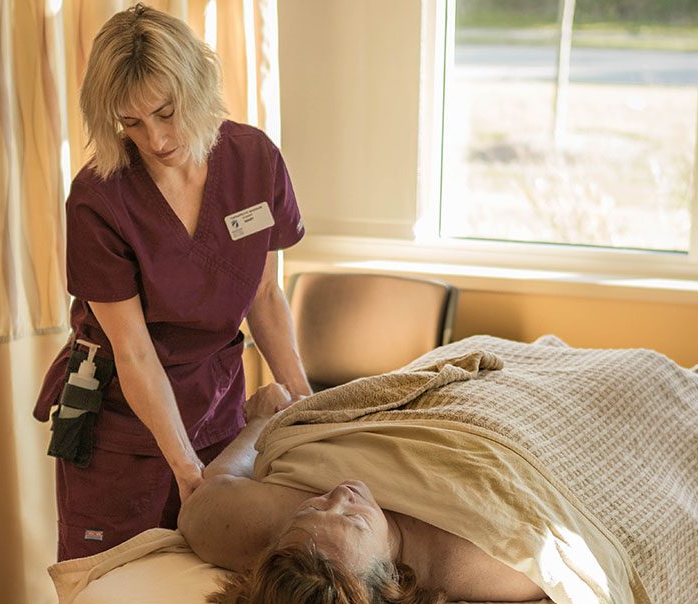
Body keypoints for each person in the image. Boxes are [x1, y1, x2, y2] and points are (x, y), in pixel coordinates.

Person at [33, 3, 311, 561]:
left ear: (199, 85)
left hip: (220, 409)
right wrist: (186, 469)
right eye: (131, 122)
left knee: (213, 578)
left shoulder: (253, 159)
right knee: (116, 584)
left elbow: (263, 293)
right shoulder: (99, 197)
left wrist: (307, 405)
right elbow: (133, 351)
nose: (156, 139)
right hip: (121, 428)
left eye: (166, 112)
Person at [177, 384, 547, 603]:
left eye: (312, 509)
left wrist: (261, 419)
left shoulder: (250, 528)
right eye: (352, 519)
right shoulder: (499, 563)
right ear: (392, 577)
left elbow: (203, 498)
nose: (339, 493)